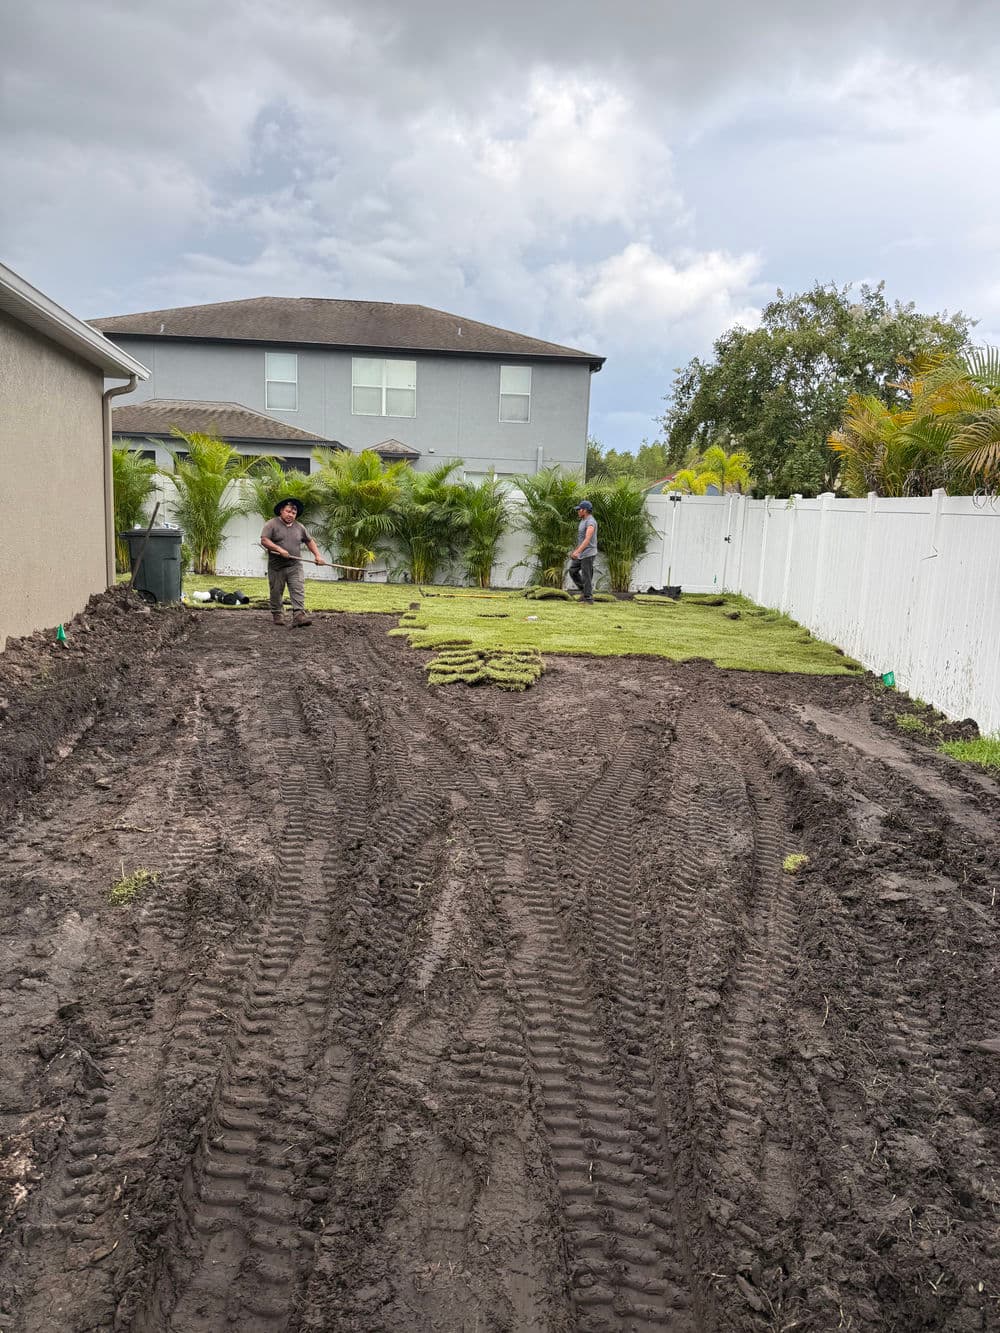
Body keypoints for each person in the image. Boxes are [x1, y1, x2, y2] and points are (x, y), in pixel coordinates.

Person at [260, 498, 327, 626]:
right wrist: (279, 549)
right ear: (281, 511)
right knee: (276, 591)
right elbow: (264, 540)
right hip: (277, 567)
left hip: (294, 566)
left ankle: (299, 615)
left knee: (298, 588)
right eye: (288, 511)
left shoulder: (299, 527)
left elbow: (309, 541)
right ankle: (277, 614)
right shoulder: (271, 524)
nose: (290, 515)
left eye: (293, 513)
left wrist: (318, 556)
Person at [568, 500, 598, 602]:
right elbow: (581, 539)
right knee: (572, 571)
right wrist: (576, 550)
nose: (578, 511)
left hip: (588, 553)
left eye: (579, 510)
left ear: (584, 510)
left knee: (586, 576)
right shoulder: (583, 520)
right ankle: (585, 591)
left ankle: (588, 598)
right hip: (582, 552)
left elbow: (587, 539)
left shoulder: (590, 522)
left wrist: (577, 552)